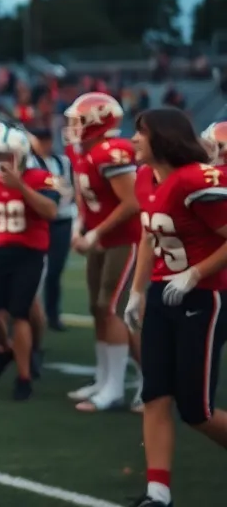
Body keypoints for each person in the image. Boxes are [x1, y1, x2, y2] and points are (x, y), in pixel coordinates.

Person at [125, 108, 227, 507]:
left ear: (163, 138)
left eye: (141, 133)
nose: (133, 140)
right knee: (154, 395)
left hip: (204, 296)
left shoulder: (193, 180)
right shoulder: (144, 178)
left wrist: (196, 274)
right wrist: (136, 291)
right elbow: (150, 238)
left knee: (196, 409)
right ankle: (158, 493)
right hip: (162, 294)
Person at [65, 91, 142, 413]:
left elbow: (132, 203)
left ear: (96, 120)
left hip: (125, 239)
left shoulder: (112, 152)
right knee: (100, 308)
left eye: (78, 119)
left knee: (114, 310)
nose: (71, 125)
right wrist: (79, 229)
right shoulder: (85, 152)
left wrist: (94, 232)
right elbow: (87, 201)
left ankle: (126, 386)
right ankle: (104, 378)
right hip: (103, 239)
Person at [0, 125, 59, 401]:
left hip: (31, 253)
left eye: (8, 155)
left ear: (21, 156)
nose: (2, 161)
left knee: (19, 313)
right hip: (1, 250)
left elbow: (52, 211)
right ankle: (4, 348)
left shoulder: (44, 177)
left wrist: (20, 186)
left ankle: (23, 378)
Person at [29, 125, 76, 330]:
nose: (44, 145)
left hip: (62, 219)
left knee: (55, 270)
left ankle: (52, 314)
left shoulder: (62, 162)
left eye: (46, 140)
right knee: (34, 270)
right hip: (40, 220)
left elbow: (69, 189)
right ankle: (29, 312)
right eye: (39, 140)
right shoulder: (29, 162)